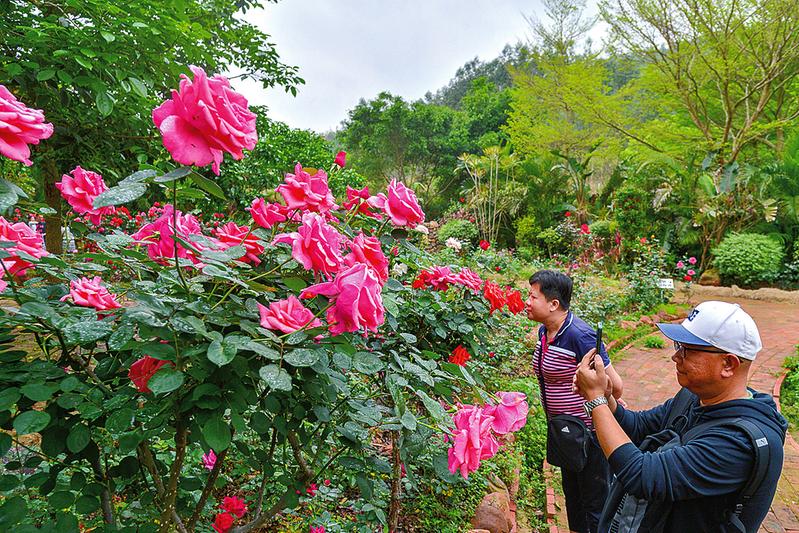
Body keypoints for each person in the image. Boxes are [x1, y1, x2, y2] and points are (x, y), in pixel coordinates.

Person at [574, 300, 786, 533]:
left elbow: (642, 476)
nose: (676, 356)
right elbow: (638, 427)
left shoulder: (737, 443)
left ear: (728, 364)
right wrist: (607, 398)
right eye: (678, 345)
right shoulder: (694, 397)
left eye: (688, 349)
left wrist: (596, 400)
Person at [526, 269, 624, 533]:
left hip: (590, 434)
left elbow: (617, 387)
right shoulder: (544, 333)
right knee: (573, 499)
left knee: (595, 504)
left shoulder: (580, 336)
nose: (527, 301)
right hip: (566, 433)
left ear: (553, 304)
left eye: (533, 297)